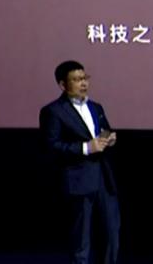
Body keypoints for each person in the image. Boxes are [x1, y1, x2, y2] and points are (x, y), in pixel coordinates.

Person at [39, 60, 120, 264]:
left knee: (111, 234)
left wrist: (109, 138)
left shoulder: (96, 107)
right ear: (62, 85)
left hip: (104, 179)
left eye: (85, 78)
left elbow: (104, 130)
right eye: (76, 79)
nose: (83, 83)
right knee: (81, 241)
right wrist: (85, 148)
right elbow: (52, 146)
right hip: (78, 180)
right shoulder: (53, 111)